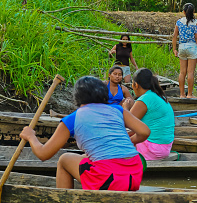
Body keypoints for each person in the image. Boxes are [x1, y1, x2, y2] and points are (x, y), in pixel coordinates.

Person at [19, 76, 150, 191]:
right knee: (84, 157)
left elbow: (43, 154)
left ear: (77, 97)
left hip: (109, 177)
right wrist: (129, 140)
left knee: (64, 159)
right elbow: (145, 132)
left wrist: (31, 136)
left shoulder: (73, 118)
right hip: (134, 174)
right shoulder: (117, 110)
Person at [129, 68, 175, 160]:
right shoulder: (158, 95)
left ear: (136, 85)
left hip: (153, 149)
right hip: (165, 148)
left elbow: (126, 123)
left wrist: (125, 108)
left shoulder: (145, 99)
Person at [172, 3, 197, 98]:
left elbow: (174, 36)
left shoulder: (179, 22)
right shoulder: (196, 22)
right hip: (192, 47)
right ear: (193, 11)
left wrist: (174, 49)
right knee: (190, 72)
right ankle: (189, 94)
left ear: (183, 12)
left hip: (182, 47)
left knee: (182, 72)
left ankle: (182, 94)